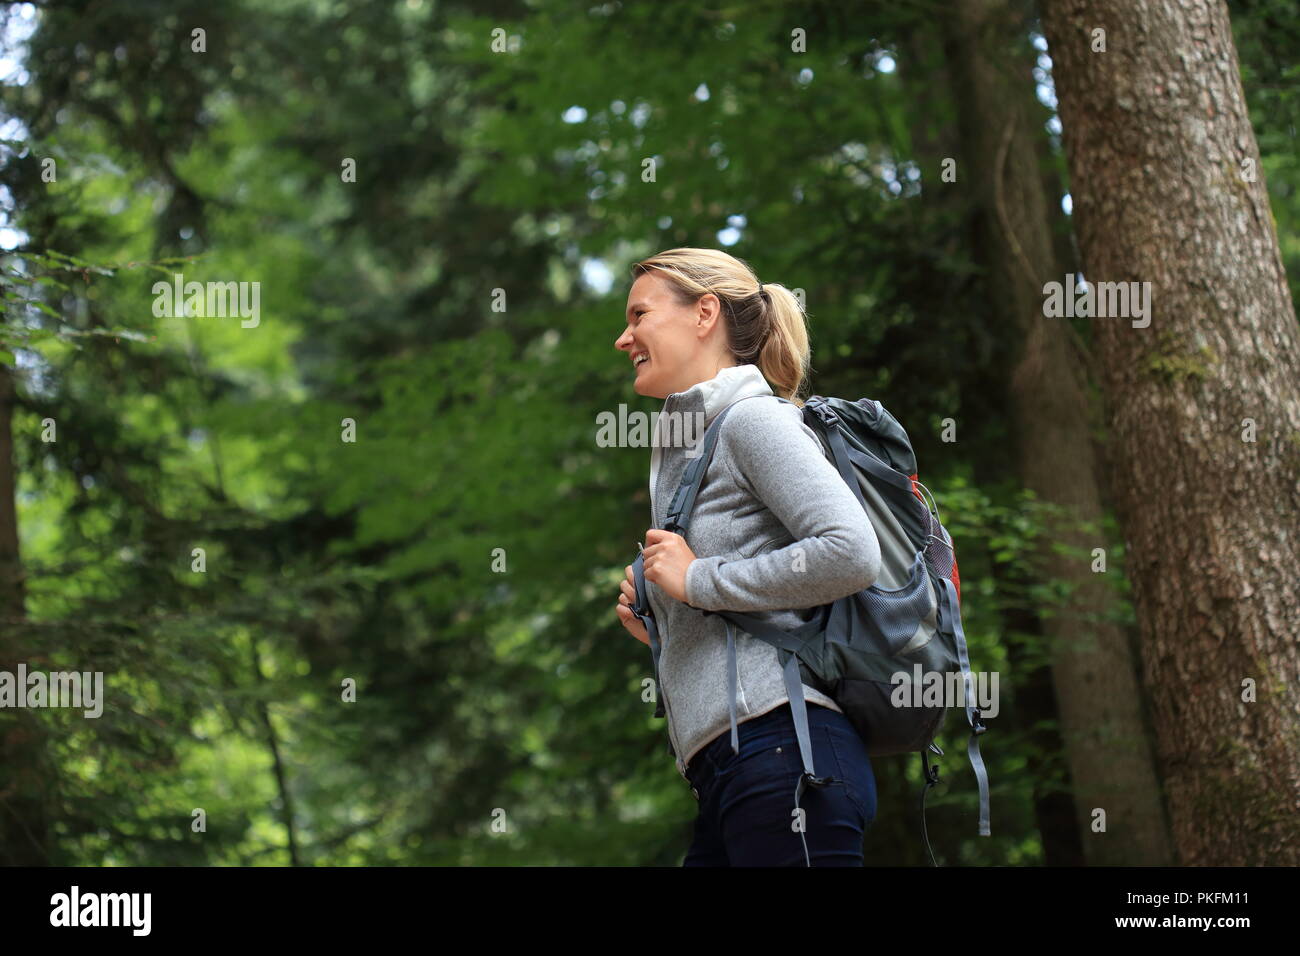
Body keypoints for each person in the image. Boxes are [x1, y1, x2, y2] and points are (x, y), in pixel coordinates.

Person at [613, 247, 882, 866]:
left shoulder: (753, 420)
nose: (624, 337)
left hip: (787, 754)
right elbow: (738, 610)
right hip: (733, 768)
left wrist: (698, 578)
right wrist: (660, 624)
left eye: (639, 314)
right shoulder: (694, 444)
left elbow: (850, 551)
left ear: (704, 312)